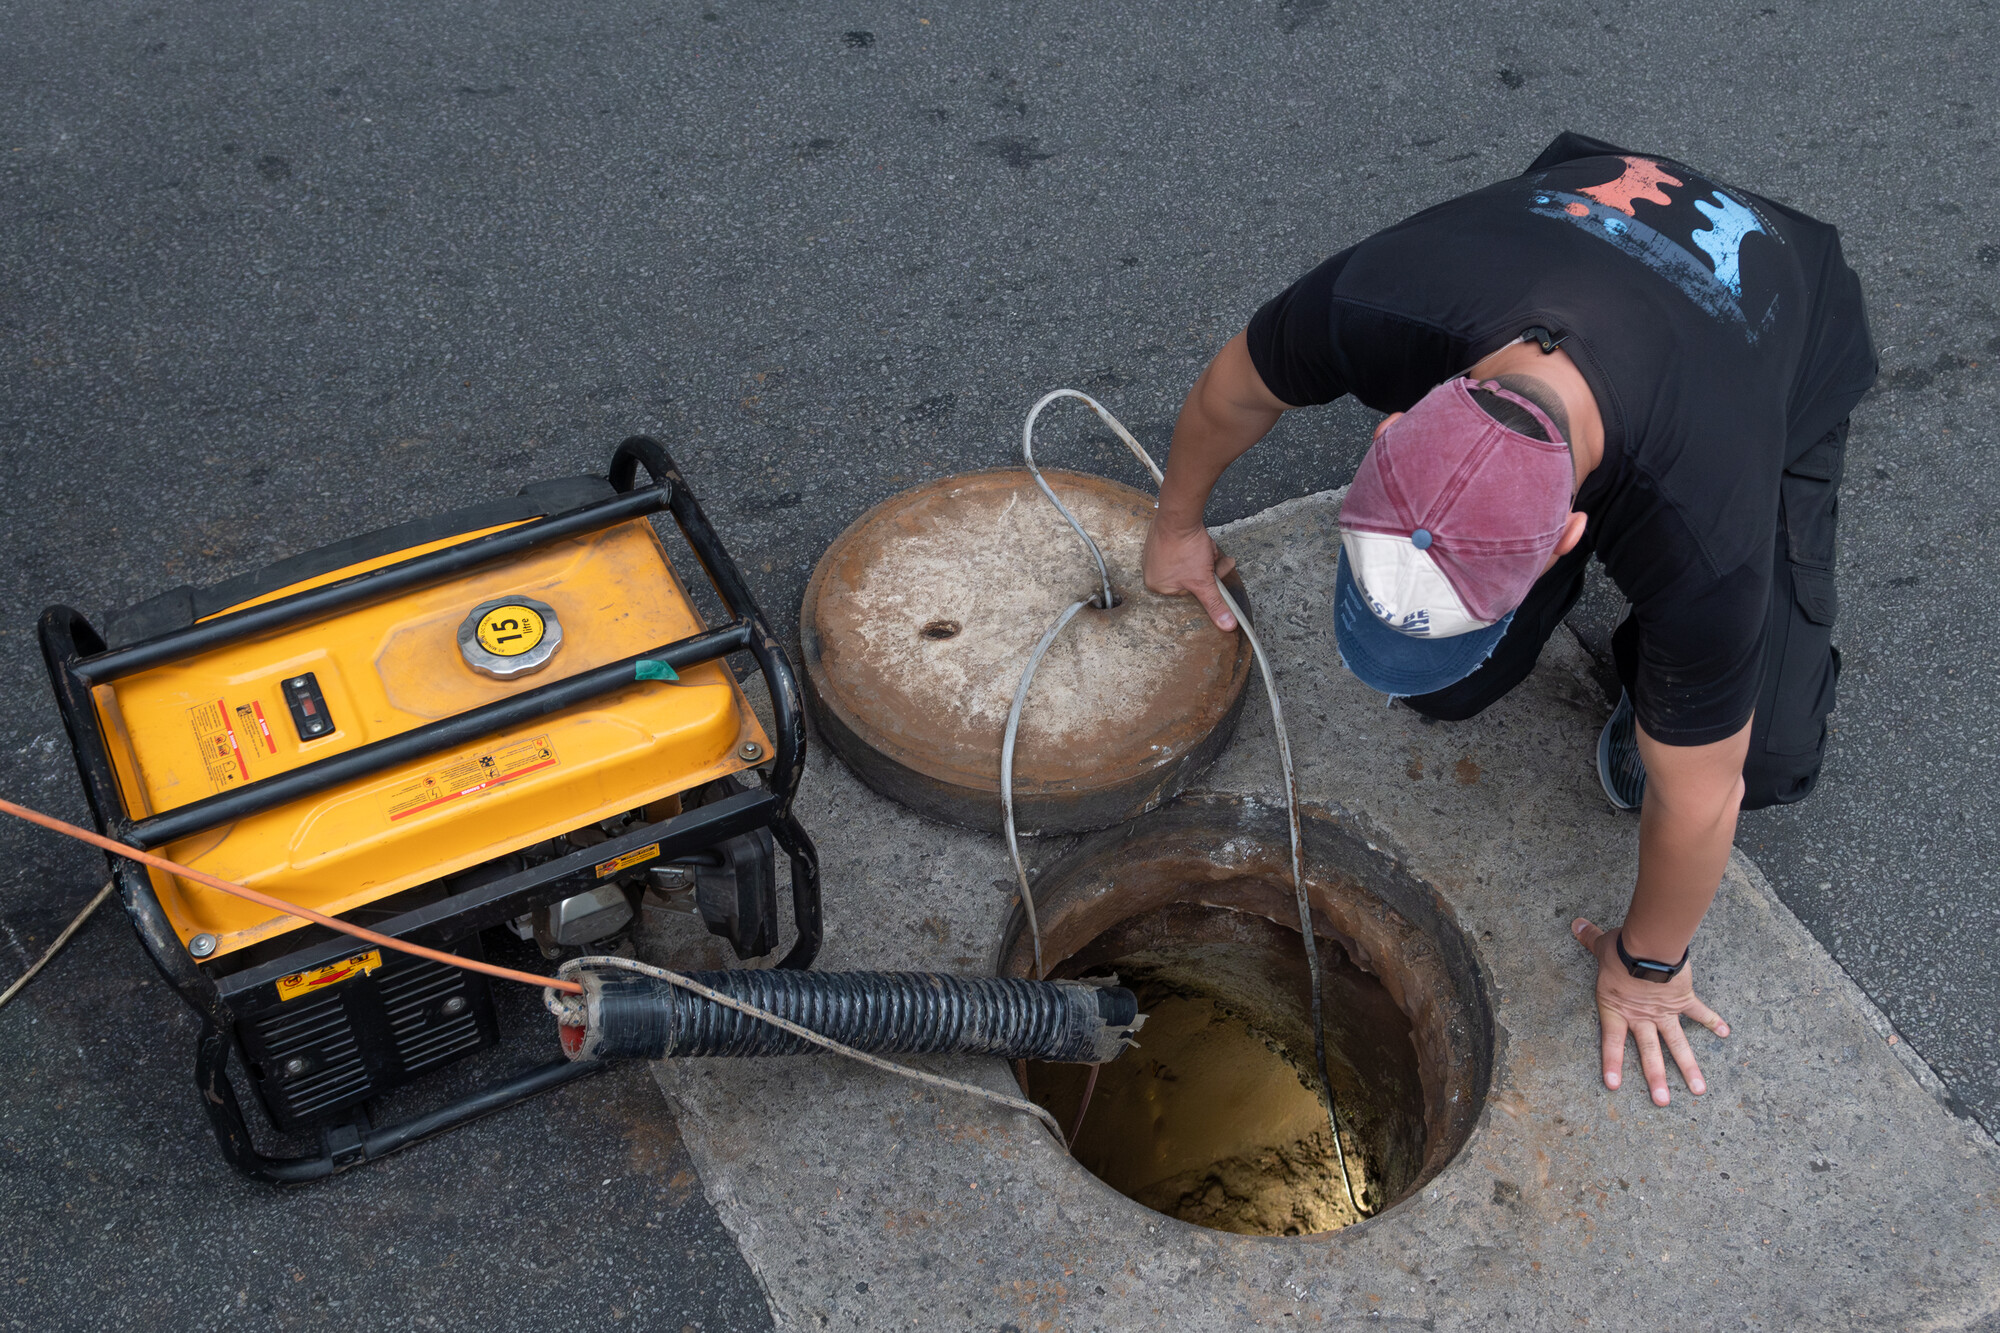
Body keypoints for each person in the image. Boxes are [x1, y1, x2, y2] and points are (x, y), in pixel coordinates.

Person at [1142, 132, 1876, 1109]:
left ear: (1569, 532)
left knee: (1759, 757)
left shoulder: (1703, 527)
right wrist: (1176, 526)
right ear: (1392, 430)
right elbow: (1236, 386)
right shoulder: (1385, 300)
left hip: (1776, 315)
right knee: (1448, 684)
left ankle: (1654, 685)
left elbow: (1702, 800)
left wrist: (1646, 968)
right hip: (1578, 215)